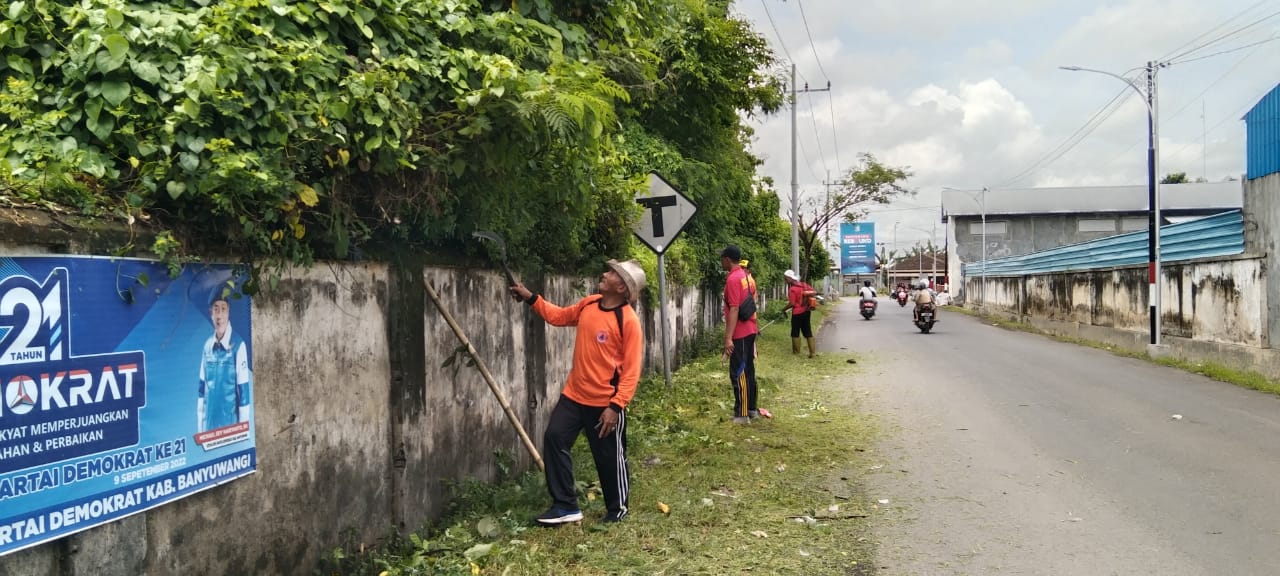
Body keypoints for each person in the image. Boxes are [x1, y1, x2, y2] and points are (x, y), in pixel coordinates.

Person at [509, 259, 646, 525]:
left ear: (621, 287)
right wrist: (530, 298)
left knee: (608, 458)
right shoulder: (590, 303)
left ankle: (617, 509)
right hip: (574, 395)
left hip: (605, 403)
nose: (605, 274)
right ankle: (565, 505)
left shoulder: (627, 321)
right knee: (554, 438)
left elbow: (631, 371)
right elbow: (559, 316)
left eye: (612, 273)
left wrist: (616, 407)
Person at [198, 289, 252, 433]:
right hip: (209, 430)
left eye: (223, 309)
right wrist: (200, 430)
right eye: (216, 310)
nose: (219, 315)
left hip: (230, 430)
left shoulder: (238, 345)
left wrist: (243, 431)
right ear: (211, 313)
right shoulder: (207, 346)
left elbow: (244, 394)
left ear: (228, 313)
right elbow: (201, 392)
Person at [720, 245, 759, 424]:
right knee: (749, 371)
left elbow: (734, 307)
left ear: (727, 259)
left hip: (741, 333)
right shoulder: (745, 276)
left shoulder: (733, 279)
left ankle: (742, 414)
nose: (721, 262)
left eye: (722, 259)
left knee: (739, 371)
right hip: (750, 328)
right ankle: (751, 409)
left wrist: (728, 338)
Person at [781, 269, 817, 358]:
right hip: (807, 311)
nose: (785, 280)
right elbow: (814, 292)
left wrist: (784, 309)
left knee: (795, 332)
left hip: (797, 313)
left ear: (790, 278)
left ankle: (796, 352)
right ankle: (812, 353)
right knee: (808, 331)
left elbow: (792, 303)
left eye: (786, 278)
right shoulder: (804, 285)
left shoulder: (792, 289)